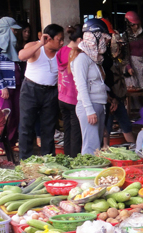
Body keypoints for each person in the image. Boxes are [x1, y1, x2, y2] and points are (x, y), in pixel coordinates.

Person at [17, 24, 64, 160]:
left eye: (62, 40)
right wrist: (40, 44)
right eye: (59, 39)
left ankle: (48, 159)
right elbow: (21, 56)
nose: (61, 43)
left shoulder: (61, 52)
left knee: (48, 128)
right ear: (49, 39)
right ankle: (26, 160)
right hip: (31, 90)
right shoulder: (34, 47)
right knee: (26, 126)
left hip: (51, 92)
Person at [70, 18, 110, 155]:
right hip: (90, 105)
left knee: (96, 146)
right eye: (104, 38)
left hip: (99, 104)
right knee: (90, 148)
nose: (106, 42)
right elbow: (81, 85)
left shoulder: (94, 59)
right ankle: (87, 173)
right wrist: (89, 110)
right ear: (95, 38)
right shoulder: (82, 58)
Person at [0, 17, 22, 157]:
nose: (15, 32)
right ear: (6, 29)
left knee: (16, 114)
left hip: (16, 83)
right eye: (13, 29)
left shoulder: (10, 44)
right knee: (5, 114)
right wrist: (2, 86)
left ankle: (11, 141)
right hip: (5, 85)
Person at [103, 28, 135, 146]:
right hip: (109, 98)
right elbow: (107, 81)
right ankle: (104, 149)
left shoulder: (117, 60)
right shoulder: (106, 61)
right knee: (107, 126)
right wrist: (112, 98)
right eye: (118, 44)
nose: (120, 47)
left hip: (117, 97)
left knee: (125, 124)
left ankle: (133, 147)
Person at [57, 24, 83, 157]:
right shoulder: (78, 53)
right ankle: (74, 160)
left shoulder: (61, 51)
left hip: (62, 96)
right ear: (79, 40)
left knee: (67, 130)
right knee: (76, 132)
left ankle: (67, 157)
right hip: (74, 97)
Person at [124, 11, 143, 87]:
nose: (136, 27)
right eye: (133, 25)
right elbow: (125, 53)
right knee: (134, 87)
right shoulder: (126, 35)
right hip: (133, 63)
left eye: (137, 24)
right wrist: (128, 66)